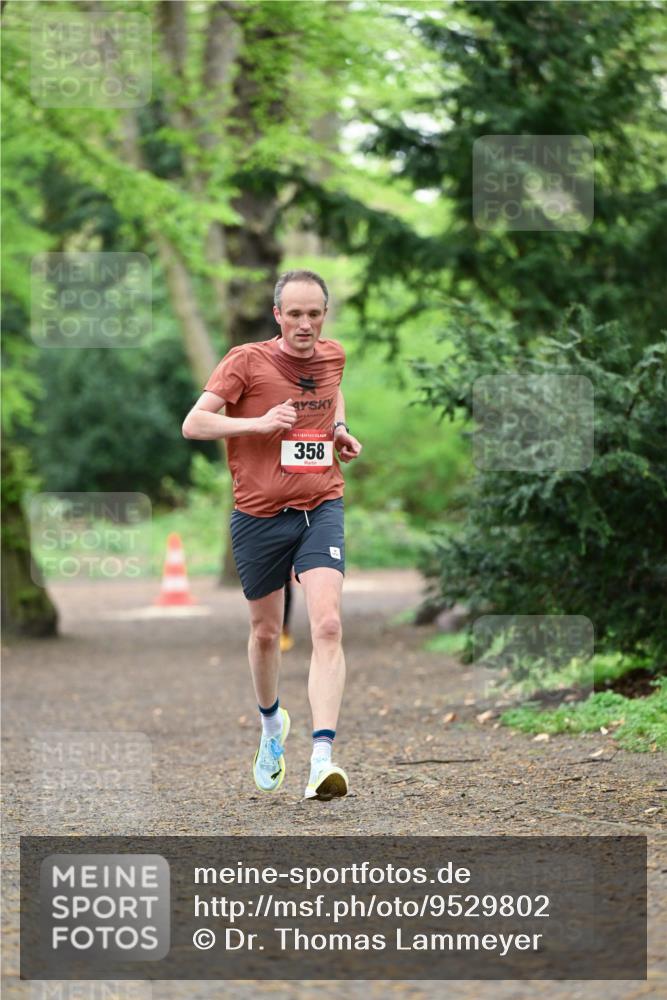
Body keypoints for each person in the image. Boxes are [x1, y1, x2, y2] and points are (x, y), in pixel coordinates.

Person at [182, 270, 362, 800]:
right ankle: (270, 728)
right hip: (259, 515)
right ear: (277, 315)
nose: (306, 324)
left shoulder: (333, 355)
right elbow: (194, 424)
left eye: (315, 313)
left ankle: (322, 759)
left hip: (320, 504)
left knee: (327, 623)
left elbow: (333, 394)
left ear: (323, 315)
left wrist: (340, 431)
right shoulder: (246, 361)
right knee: (266, 633)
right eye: (296, 314)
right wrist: (256, 424)